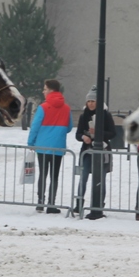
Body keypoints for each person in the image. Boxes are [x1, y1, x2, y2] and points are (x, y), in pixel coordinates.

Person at [27, 79, 73, 214]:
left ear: (51, 90)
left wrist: (31, 142)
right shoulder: (67, 108)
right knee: (54, 176)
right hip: (58, 146)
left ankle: (40, 202)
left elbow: (35, 126)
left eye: (45, 89)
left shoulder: (43, 107)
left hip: (42, 145)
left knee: (43, 174)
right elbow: (69, 127)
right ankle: (51, 203)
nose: (43, 91)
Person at [74, 86, 116, 220]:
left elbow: (113, 133)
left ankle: (98, 204)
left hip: (102, 151)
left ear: (98, 102)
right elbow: (78, 134)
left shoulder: (106, 115)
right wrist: (83, 137)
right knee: (83, 177)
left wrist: (99, 133)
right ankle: (79, 203)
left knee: (100, 179)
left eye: (93, 101)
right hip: (87, 151)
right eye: (88, 101)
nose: (90, 104)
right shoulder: (83, 115)